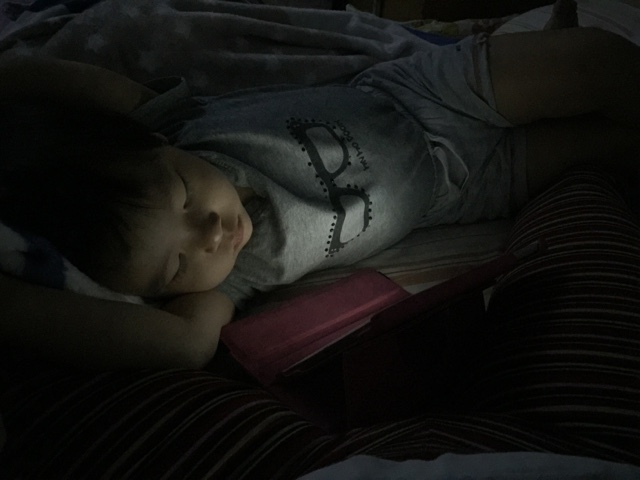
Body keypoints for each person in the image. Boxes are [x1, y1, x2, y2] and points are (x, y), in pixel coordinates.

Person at [0, 22, 638, 370]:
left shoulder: (176, 125)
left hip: (420, 94)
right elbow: (185, 347)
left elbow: (81, 88)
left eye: (188, 197)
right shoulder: (227, 284)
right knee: (610, 151)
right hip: (461, 191)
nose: (212, 234)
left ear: (157, 147)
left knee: (596, 60)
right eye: (177, 265)